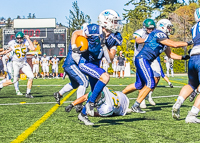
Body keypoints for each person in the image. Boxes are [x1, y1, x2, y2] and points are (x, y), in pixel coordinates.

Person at [122, 18, 191, 113]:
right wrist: (189, 42)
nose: (170, 29)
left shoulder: (164, 37)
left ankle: (120, 96)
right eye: (169, 27)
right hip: (142, 59)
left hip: (145, 60)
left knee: (140, 84)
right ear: (163, 27)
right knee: (150, 83)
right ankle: (136, 105)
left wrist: (184, 57)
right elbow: (174, 45)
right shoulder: (159, 33)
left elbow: (170, 54)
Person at [71, 9, 123, 125]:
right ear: (106, 21)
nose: (116, 24)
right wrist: (74, 46)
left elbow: (109, 59)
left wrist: (104, 45)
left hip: (96, 64)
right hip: (85, 62)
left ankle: (83, 114)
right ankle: (91, 103)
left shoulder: (115, 37)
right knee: (105, 77)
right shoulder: (94, 29)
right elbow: (76, 33)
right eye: (114, 21)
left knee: (98, 93)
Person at [172, 8, 200, 123]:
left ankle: (178, 102)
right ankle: (192, 114)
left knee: (191, 84)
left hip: (193, 56)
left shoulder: (194, 27)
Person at [53, 23, 89, 109]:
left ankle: (59, 94)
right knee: (84, 82)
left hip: (70, 64)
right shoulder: (79, 38)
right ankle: (79, 104)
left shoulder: (81, 38)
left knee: (75, 84)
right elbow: (76, 55)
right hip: (71, 63)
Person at [65, 86, 129, 125]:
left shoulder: (106, 107)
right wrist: (72, 104)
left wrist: (92, 113)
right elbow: (85, 97)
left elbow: (103, 114)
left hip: (123, 108)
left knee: (112, 113)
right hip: (120, 94)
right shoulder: (102, 89)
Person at [0, 32, 35, 98]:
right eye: (18, 38)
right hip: (15, 63)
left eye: (20, 38)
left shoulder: (25, 42)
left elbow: (33, 48)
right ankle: (0, 86)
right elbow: (7, 51)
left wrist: (28, 39)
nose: (19, 40)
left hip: (24, 63)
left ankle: (28, 93)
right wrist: (1, 53)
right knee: (14, 80)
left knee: (31, 76)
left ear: (23, 38)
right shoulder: (12, 43)